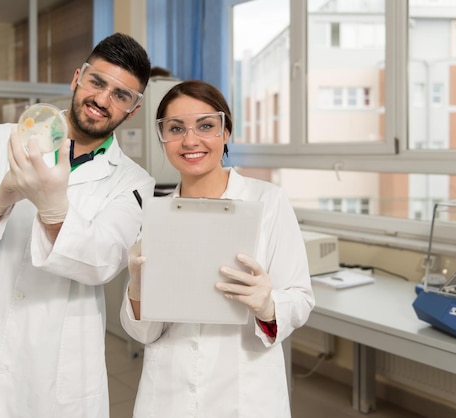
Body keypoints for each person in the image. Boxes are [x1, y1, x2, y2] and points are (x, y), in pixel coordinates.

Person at [0, 33, 154, 418]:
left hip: (59, 363)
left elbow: (101, 262)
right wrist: (0, 198)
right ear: (76, 79)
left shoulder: (133, 182)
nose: (102, 100)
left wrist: (54, 214)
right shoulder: (5, 139)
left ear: (132, 111)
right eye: (97, 82)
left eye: (121, 95)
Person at [120, 80, 315, 417]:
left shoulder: (267, 201)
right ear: (163, 137)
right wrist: (137, 291)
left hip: (245, 390)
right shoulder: (155, 214)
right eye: (176, 128)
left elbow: (300, 298)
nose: (190, 140)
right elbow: (144, 332)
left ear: (225, 133)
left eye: (206, 126)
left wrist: (268, 305)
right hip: (169, 391)